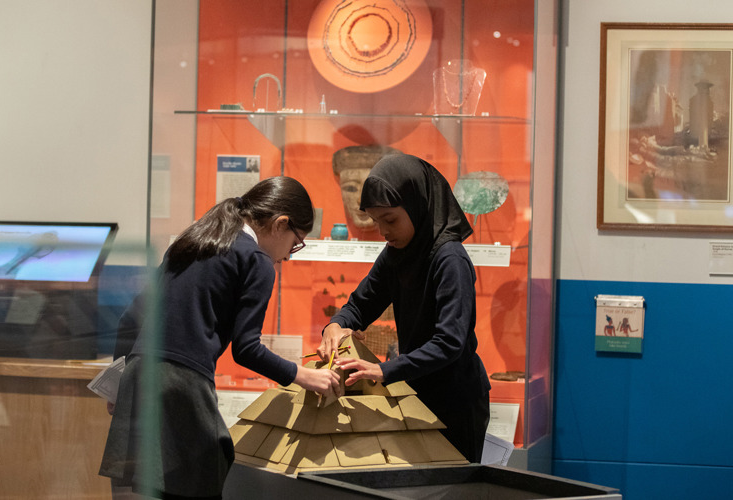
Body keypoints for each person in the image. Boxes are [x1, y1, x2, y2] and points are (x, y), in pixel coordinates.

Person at [100, 176, 341, 499]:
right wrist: (305, 376)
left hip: (138, 377)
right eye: (296, 242)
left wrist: (117, 384)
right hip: (180, 384)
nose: (289, 255)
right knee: (209, 471)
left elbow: (129, 317)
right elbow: (247, 349)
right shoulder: (256, 261)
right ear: (280, 224)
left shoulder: (195, 240)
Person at [318, 153, 491, 463]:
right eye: (376, 220)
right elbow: (360, 305)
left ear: (417, 204)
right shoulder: (396, 253)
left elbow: (449, 342)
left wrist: (384, 369)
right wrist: (335, 325)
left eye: (390, 220)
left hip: (456, 400)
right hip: (415, 393)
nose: (382, 230)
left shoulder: (450, 259)